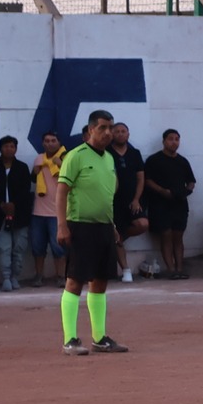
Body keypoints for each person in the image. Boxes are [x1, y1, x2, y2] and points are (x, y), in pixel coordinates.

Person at [55, 110, 128, 354]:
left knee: (100, 281)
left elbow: (106, 195)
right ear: (90, 131)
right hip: (80, 225)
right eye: (103, 128)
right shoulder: (75, 156)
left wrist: (113, 226)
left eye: (111, 127)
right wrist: (62, 225)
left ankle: (99, 338)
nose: (108, 132)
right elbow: (62, 191)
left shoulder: (109, 158)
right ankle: (70, 339)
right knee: (75, 280)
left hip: (104, 227)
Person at [142, 128, 195, 279]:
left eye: (177, 139)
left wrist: (186, 192)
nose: (174, 142)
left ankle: (179, 269)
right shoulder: (153, 160)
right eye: (171, 139)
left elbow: (191, 181)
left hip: (179, 204)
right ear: (164, 141)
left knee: (178, 237)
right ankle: (171, 270)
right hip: (159, 204)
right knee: (166, 235)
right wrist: (162, 191)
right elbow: (147, 180)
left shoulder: (183, 161)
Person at [105, 120, 149, 283]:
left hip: (132, 201)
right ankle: (126, 270)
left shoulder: (134, 153)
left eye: (123, 131)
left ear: (128, 134)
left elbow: (140, 178)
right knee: (114, 235)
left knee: (142, 224)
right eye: (117, 131)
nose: (120, 134)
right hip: (113, 202)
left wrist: (136, 199)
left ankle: (121, 236)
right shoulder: (106, 152)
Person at [0, 134, 34, 291]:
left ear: (16, 149)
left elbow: (25, 190)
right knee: (3, 247)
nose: (9, 149)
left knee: (19, 248)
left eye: (12, 146)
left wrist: (14, 205)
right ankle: (6, 277)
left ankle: (16, 276)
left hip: (19, 214)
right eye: (6, 146)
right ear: (1, 148)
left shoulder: (22, 167)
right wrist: (1, 205)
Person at [29, 130, 66, 288]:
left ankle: (61, 276)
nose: (50, 143)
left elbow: (74, 180)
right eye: (47, 141)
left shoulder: (66, 158)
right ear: (43, 143)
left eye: (53, 140)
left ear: (58, 142)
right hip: (38, 211)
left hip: (57, 212)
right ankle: (39, 276)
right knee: (38, 247)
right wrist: (35, 171)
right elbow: (33, 178)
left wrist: (62, 166)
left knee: (59, 248)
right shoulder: (39, 159)